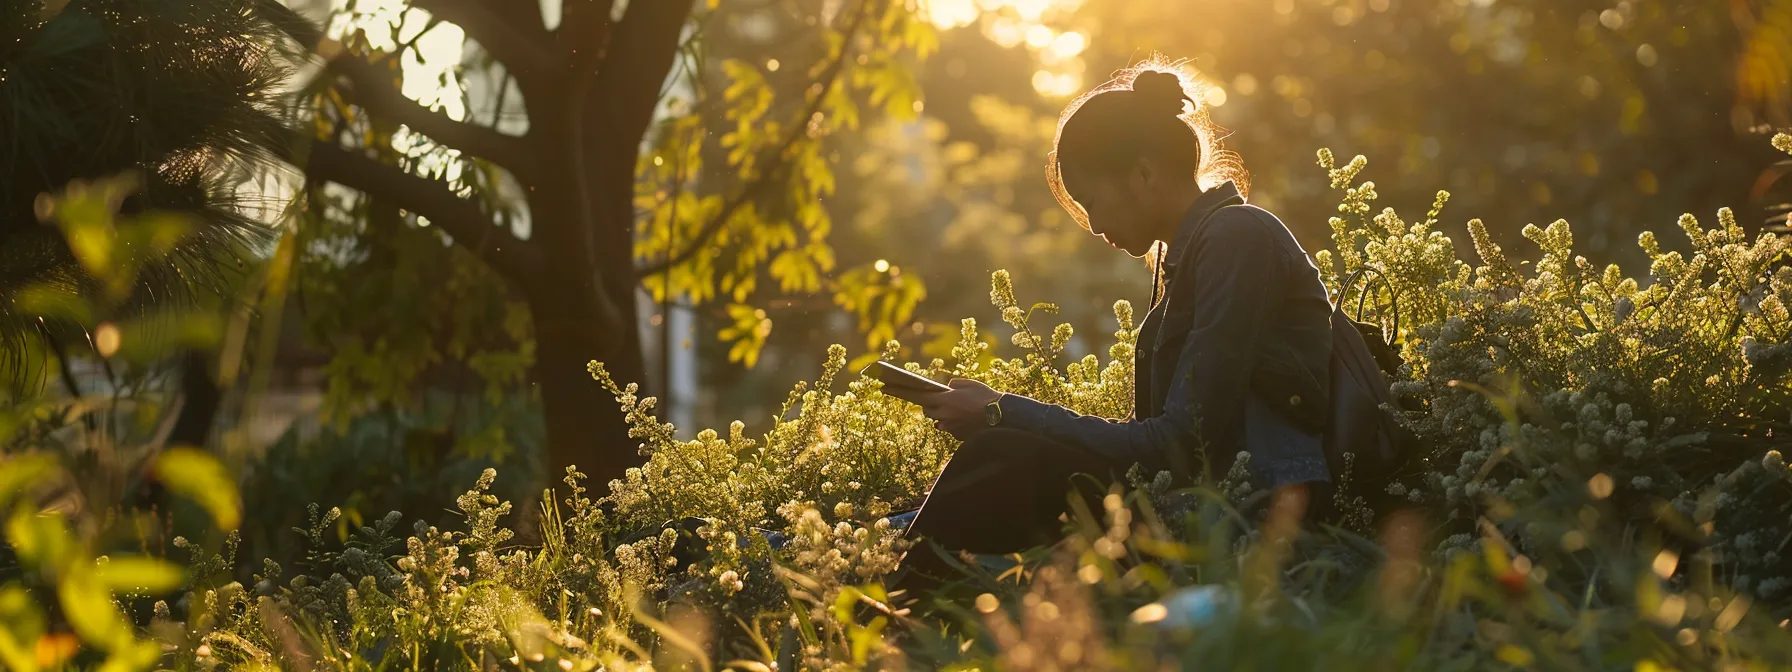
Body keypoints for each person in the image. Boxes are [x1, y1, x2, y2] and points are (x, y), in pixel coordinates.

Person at [897, 63, 1337, 558]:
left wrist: (1001, 412)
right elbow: (1152, 444)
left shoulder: (1238, 238)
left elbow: (1176, 443)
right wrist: (1001, 416)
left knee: (1004, 455)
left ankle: (891, 608)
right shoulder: (1187, 260)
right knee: (991, 472)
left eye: (1090, 200)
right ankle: (890, 563)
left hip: (1254, 508)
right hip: (1198, 497)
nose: (1091, 223)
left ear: (1143, 173)